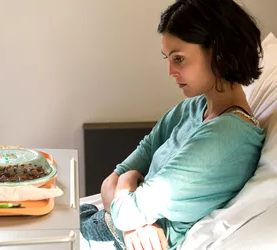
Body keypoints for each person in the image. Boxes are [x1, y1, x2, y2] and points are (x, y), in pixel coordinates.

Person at [80, 0, 266, 249]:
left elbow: (125, 210)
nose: (170, 71)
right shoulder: (193, 107)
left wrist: (129, 180)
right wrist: (131, 201)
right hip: (111, 227)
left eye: (179, 59)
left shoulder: (228, 137)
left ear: (219, 54)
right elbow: (110, 183)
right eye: (168, 58)